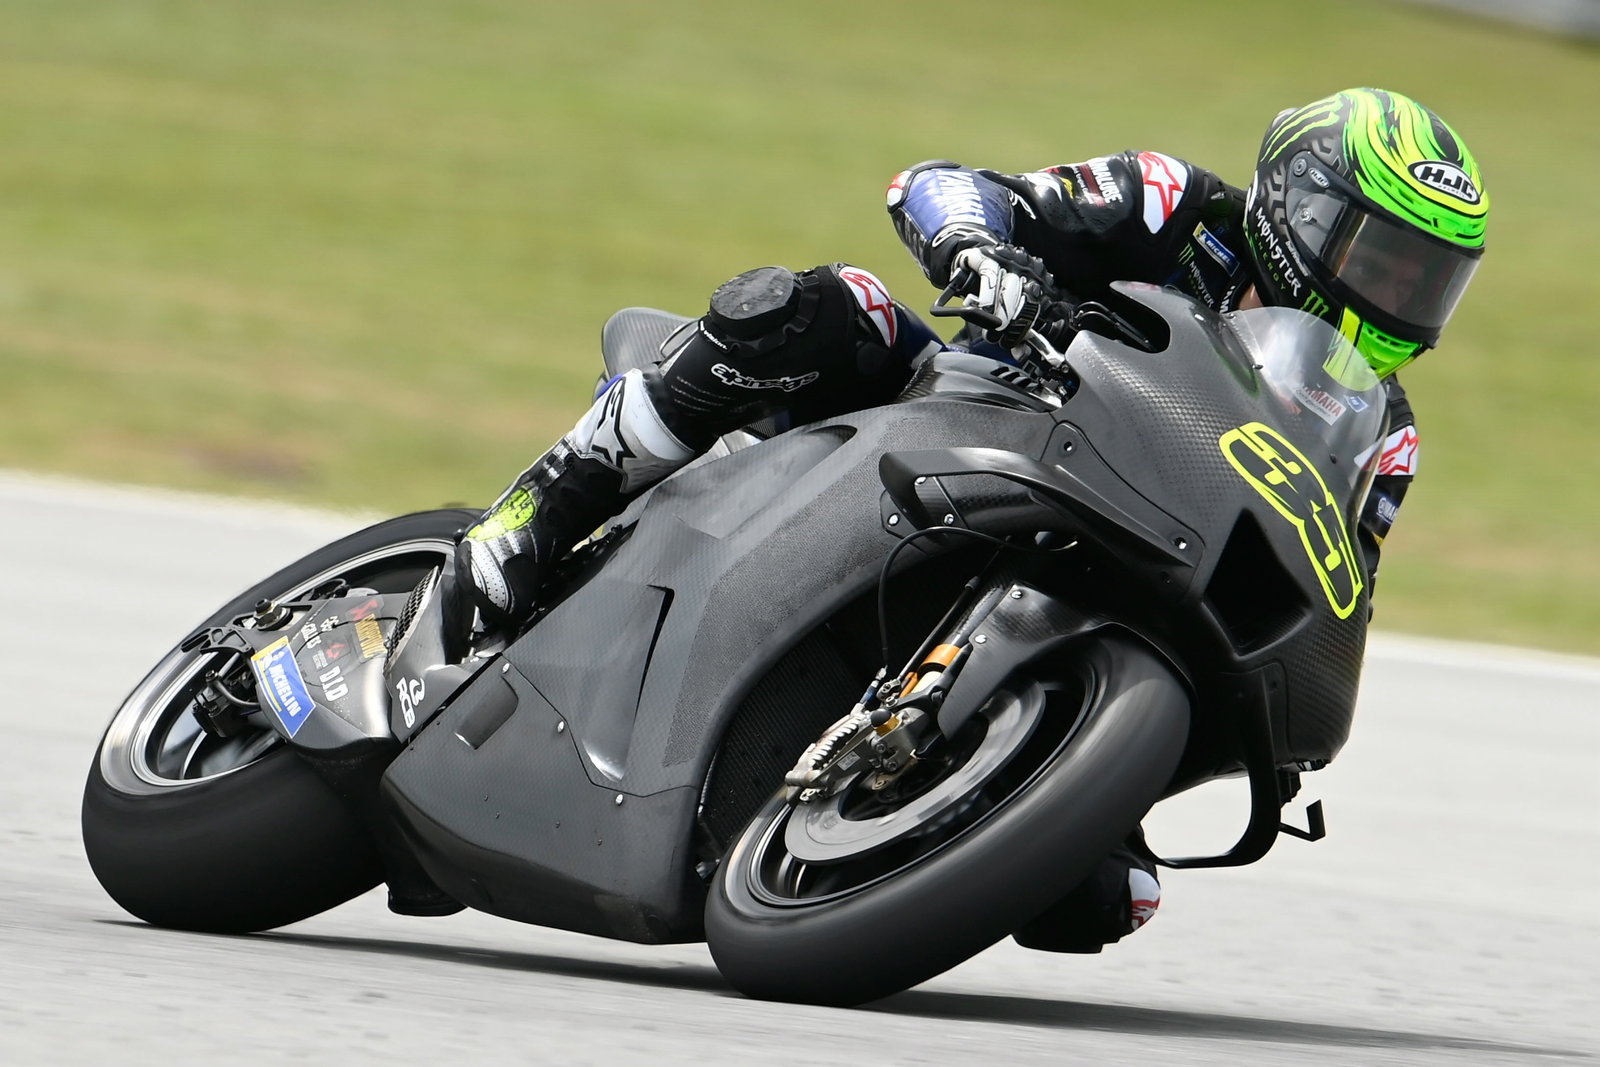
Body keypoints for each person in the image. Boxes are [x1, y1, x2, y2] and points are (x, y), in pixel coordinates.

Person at [440, 87, 1490, 946]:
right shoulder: (1172, 204)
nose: (1400, 293)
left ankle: (968, 777)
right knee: (821, 306)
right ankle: (536, 511)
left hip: (1133, 562)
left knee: (1100, 901)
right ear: (1299, 210)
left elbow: (1336, 579)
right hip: (954, 414)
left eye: (1428, 279)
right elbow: (938, 186)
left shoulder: (1377, 429)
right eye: (1384, 256)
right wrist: (986, 255)